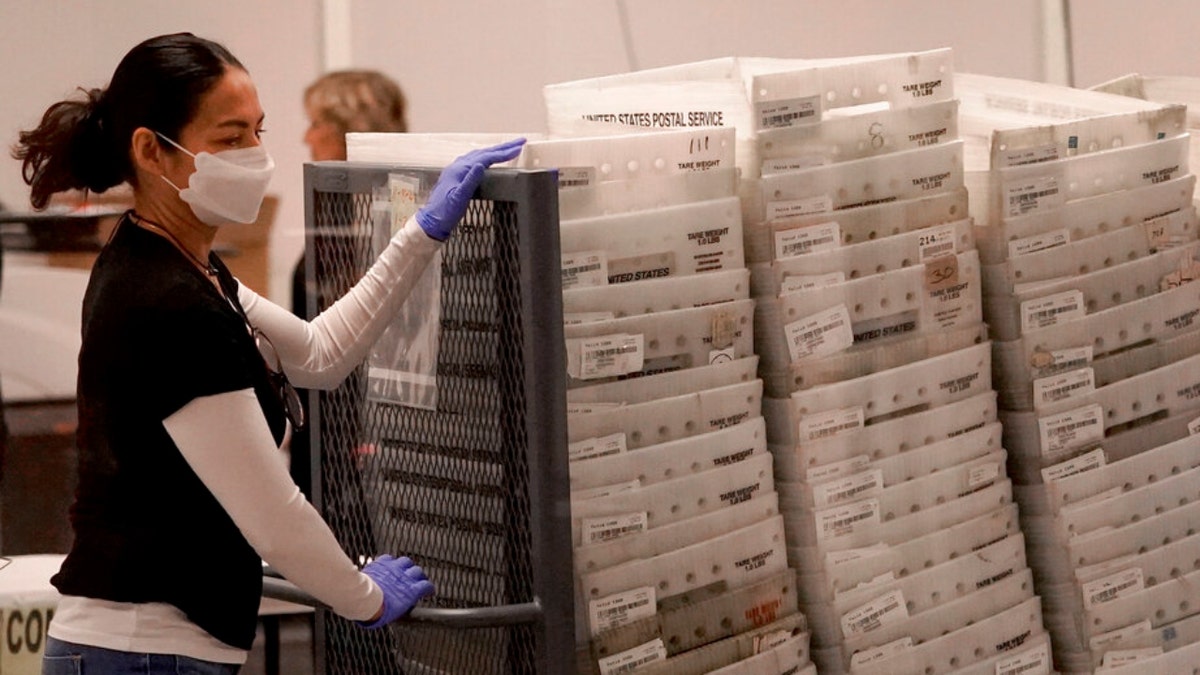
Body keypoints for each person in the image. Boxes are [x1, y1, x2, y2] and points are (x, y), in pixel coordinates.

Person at [11, 32, 524, 674]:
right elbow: (273, 514)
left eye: (259, 130)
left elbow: (318, 352)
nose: (257, 154)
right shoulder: (163, 300)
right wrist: (363, 598)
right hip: (142, 652)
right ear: (151, 151)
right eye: (229, 138)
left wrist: (420, 233)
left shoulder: (187, 267)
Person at [290, 69, 409, 500]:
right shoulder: (337, 217)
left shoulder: (387, 222)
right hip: (325, 430)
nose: (308, 136)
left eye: (318, 123)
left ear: (349, 130)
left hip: (360, 441)